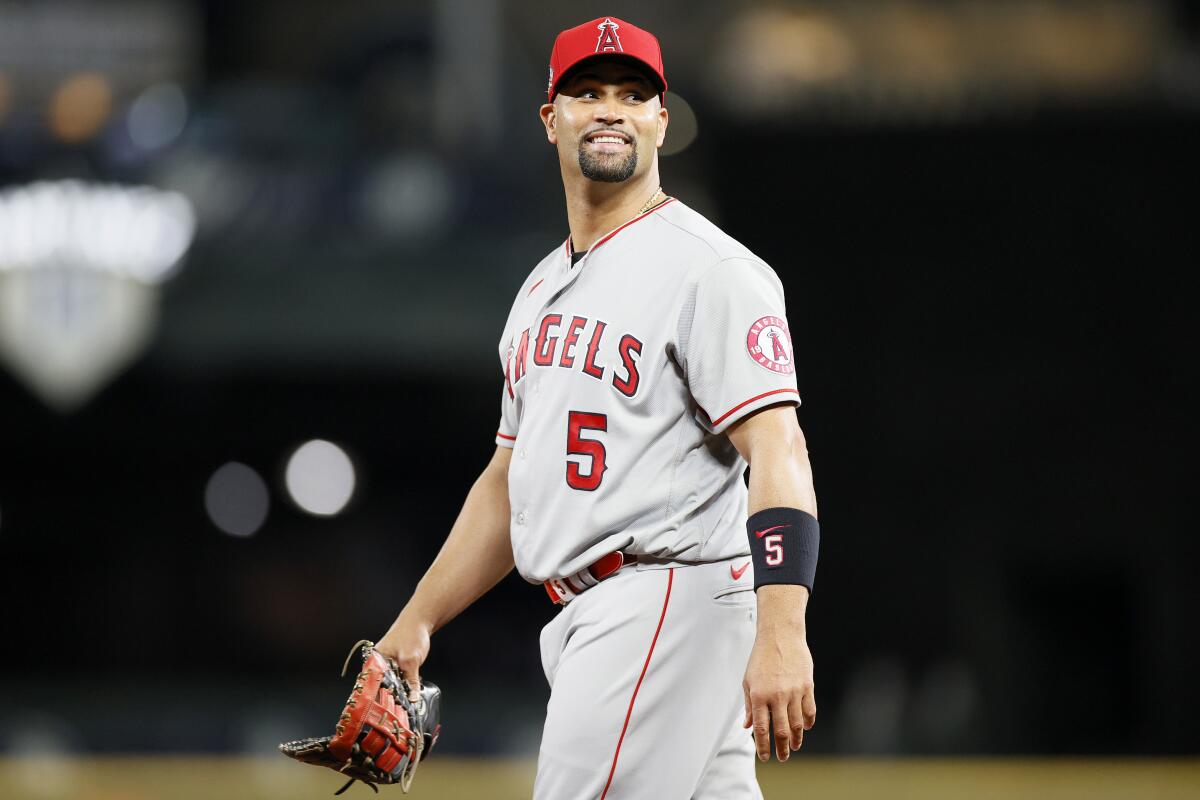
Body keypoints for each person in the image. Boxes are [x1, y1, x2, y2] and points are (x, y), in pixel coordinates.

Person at [376, 15, 820, 799]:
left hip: (661, 596)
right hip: (606, 612)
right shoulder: (539, 291)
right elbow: (508, 483)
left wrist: (784, 630)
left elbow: (781, 451)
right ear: (552, 120)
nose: (610, 108)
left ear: (659, 117)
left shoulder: (710, 271)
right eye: (587, 92)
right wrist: (418, 619)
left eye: (631, 93)